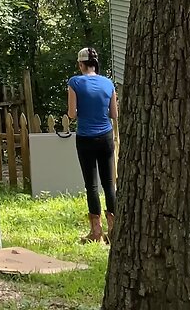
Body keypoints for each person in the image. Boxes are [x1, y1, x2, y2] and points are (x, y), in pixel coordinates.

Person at [66, 48, 117, 243]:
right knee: (109, 184)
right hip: (106, 137)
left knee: (92, 185)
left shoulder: (75, 82)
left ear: (81, 64)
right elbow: (114, 114)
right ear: (95, 64)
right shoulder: (108, 83)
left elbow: (71, 114)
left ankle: (96, 232)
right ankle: (113, 230)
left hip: (86, 138)